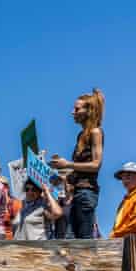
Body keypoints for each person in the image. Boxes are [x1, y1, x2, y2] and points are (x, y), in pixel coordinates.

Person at [50, 89, 105, 239]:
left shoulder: (95, 132)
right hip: (78, 192)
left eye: (76, 109)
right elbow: (81, 168)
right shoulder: (81, 135)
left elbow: (96, 164)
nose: (72, 112)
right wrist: (62, 177)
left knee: (84, 240)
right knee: (73, 239)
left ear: (89, 111)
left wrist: (67, 164)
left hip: (86, 193)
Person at [12, 178, 63, 271]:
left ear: (39, 191)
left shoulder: (42, 205)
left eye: (34, 189)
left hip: (36, 257)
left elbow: (57, 213)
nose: (30, 192)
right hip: (19, 258)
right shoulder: (21, 207)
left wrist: (47, 192)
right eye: (27, 188)